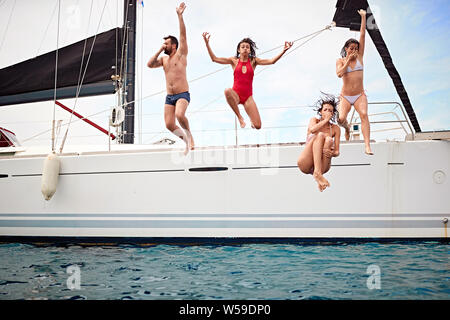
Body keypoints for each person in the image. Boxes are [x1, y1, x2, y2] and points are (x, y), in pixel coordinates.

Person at [202, 33, 293, 129]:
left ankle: (251, 121)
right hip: (236, 95)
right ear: (239, 50)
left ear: (249, 50)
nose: (245, 48)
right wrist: (207, 44)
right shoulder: (234, 61)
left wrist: (283, 51)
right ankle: (240, 117)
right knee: (227, 91)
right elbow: (214, 59)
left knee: (258, 126)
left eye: (247, 47)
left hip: (248, 98)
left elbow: (271, 61)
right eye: (242, 47)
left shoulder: (254, 61)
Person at [147, 2, 194, 155]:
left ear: (173, 46)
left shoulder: (181, 54)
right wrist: (160, 49)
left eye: (166, 44)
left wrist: (180, 16)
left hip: (182, 94)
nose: (164, 45)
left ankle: (190, 136)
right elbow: (149, 64)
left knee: (180, 115)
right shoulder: (163, 60)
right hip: (170, 97)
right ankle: (185, 141)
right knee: (169, 124)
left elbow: (183, 35)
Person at [336, 9, 373, 155]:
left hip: (359, 95)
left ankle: (367, 145)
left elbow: (363, 34)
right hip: (345, 96)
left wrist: (363, 17)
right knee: (340, 119)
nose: (354, 50)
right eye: (351, 48)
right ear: (346, 49)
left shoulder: (360, 57)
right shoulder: (341, 61)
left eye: (356, 48)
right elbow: (339, 74)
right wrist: (347, 62)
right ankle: (347, 127)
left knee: (364, 114)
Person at [297, 94, 341, 192]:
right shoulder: (314, 120)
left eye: (330, 110)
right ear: (320, 112)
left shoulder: (335, 128)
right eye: (325, 110)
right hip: (306, 162)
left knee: (329, 140)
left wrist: (333, 153)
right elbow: (312, 130)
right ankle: (317, 173)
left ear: (333, 113)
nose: (328, 112)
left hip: (323, 166)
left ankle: (318, 175)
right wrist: (325, 120)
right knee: (321, 135)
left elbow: (337, 151)